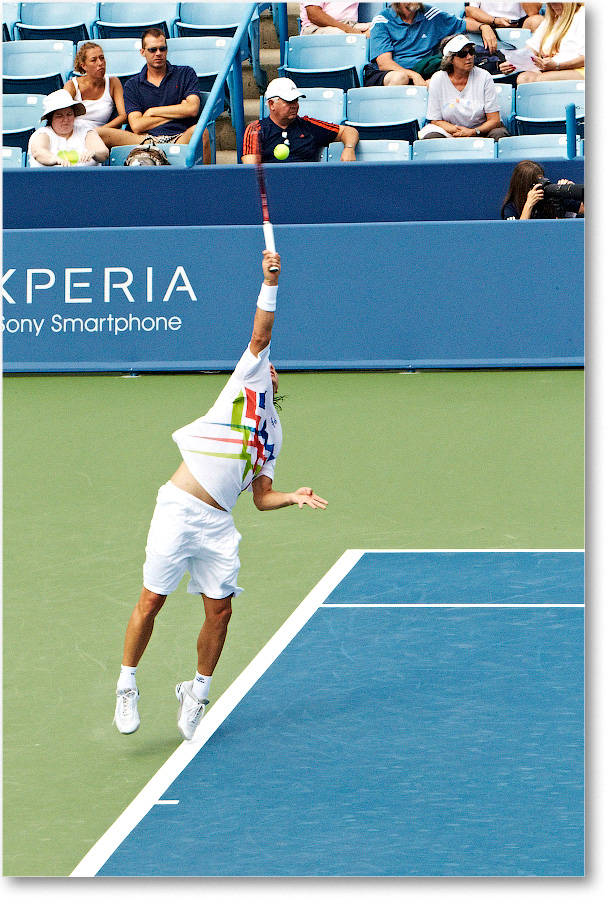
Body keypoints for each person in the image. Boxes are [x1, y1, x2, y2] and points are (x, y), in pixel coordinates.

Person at [114, 250, 328, 741]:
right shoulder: (245, 380)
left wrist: (292, 496)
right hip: (178, 508)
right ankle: (127, 685)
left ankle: (197, 693)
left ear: (281, 385)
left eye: (275, 370)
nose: (270, 368)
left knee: (221, 611)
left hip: (218, 526)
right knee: (151, 601)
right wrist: (270, 283)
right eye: (266, 364)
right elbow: (261, 333)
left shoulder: (273, 433)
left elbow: (261, 496)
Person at [97, 27, 211, 164]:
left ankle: (206, 183)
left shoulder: (185, 73)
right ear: (142, 52)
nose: (158, 53)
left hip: (179, 136)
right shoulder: (132, 85)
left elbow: (192, 109)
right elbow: (137, 125)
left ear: (167, 50)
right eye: (152, 50)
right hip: (143, 139)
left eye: (162, 49)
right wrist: (180, 109)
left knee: (201, 132)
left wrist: (152, 112)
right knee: (98, 134)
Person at [365, 2, 499, 86]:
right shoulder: (382, 19)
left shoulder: (430, 14)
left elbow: (461, 24)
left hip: (423, 71)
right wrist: (414, 76)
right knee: (400, 78)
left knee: (439, 81)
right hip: (388, 73)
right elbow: (384, 63)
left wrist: (484, 27)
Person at [242, 77, 359, 163]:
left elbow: (348, 131)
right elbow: (251, 170)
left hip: (307, 186)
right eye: (288, 101)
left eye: (296, 100)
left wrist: (349, 148)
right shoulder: (256, 129)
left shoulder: (308, 125)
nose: (294, 105)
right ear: (272, 104)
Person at [419, 34, 510, 140]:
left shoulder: (484, 76)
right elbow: (435, 120)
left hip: (481, 130)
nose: (469, 57)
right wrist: (459, 131)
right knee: (431, 137)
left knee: (499, 134)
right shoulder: (437, 79)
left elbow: (494, 120)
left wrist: (473, 131)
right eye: (462, 54)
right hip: (451, 130)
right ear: (450, 59)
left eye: (471, 52)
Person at [500, 2, 584, 82]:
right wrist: (513, 64)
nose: (553, 5)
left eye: (556, 2)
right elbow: (532, 47)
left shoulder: (583, 16)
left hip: (580, 69)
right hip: (553, 67)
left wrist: (558, 66)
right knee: (524, 78)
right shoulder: (552, 19)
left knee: (541, 80)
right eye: (550, 3)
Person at [27, 89, 109, 168]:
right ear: (51, 118)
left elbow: (104, 153)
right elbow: (38, 152)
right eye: (59, 116)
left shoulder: (86, 132)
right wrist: (56, 160)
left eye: (69, 114)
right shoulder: (43, 133)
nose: (65, 120)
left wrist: (93, 152)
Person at [65, 42, 127, 131]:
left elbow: (123, 115)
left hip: (102, 134)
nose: (100, 63)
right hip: (74, 131)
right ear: (83, 66)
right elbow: (60, 113)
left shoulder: (113, 82)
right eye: (93, 60)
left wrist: (98, 131)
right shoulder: (72, 85)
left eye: (102, 58)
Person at [500, 158, 584, 218]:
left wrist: (571, 192)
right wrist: (529, 204)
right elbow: (516, 233)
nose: (541, 186)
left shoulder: (553, 198)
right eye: (536, 182)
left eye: (541, 180)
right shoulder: (511, 207)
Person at [300, 2, 372, 36]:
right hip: (317, 27)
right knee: (341, 36)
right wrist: (350, 30)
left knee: (378, 29)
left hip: (349, 24)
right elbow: (314, 15)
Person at [464, 2, 543, 33]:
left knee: (538, 21)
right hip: (488, 21)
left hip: (519, 23)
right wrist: (494, 21)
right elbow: (470, 10)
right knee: (468, 21)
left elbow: (533, 12)